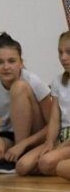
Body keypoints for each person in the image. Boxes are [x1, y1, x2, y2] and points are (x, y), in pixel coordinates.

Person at [0, 32, 51, 175]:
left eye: (11, 61)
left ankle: (23, 156)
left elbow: (53, 125)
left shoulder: (32, 80)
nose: (6, 67)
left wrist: (23, 144)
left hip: (37, 135)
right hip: (10, 135)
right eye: (0, 62)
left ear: (21, 63)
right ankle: (16, 159)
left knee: (18, 87)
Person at [35, 31, 70, 178]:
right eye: (60, 52)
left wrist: (60, 148)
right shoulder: (58, 81)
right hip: (63, 135)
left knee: (48, 164)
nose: (63, 57)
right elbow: (55, 118)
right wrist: (49, 142)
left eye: (69, 52)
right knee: (23, 166)